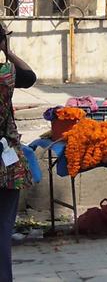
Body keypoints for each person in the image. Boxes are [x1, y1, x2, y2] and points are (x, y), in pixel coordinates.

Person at [0, 23, 36, 282]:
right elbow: (30, 76)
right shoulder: (6, 74)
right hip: (6, 163)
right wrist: (7, 50)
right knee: (2, 228)